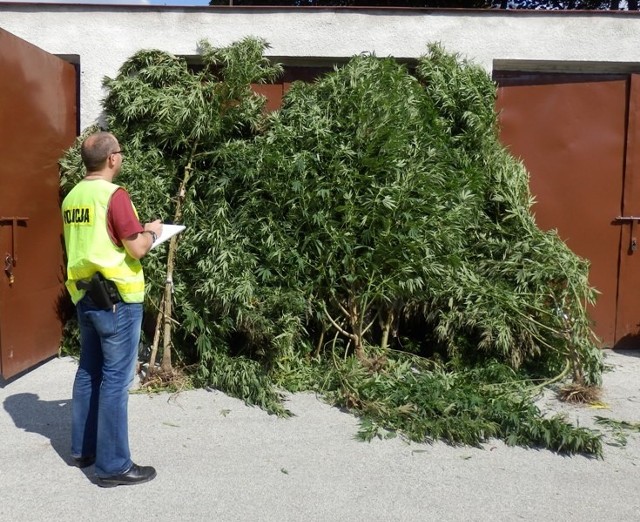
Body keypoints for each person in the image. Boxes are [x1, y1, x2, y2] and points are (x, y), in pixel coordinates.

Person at [61, 131, 162, 487]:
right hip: (118, 299)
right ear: (111, 159)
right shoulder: (113, 195)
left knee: (89, 370)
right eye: (119, 152)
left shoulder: (72, 196)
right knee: (116, 381)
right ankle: (113, 466)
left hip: (86, 295)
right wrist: (152, 232)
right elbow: (135, 248)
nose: (121, 157)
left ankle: (83, 450)